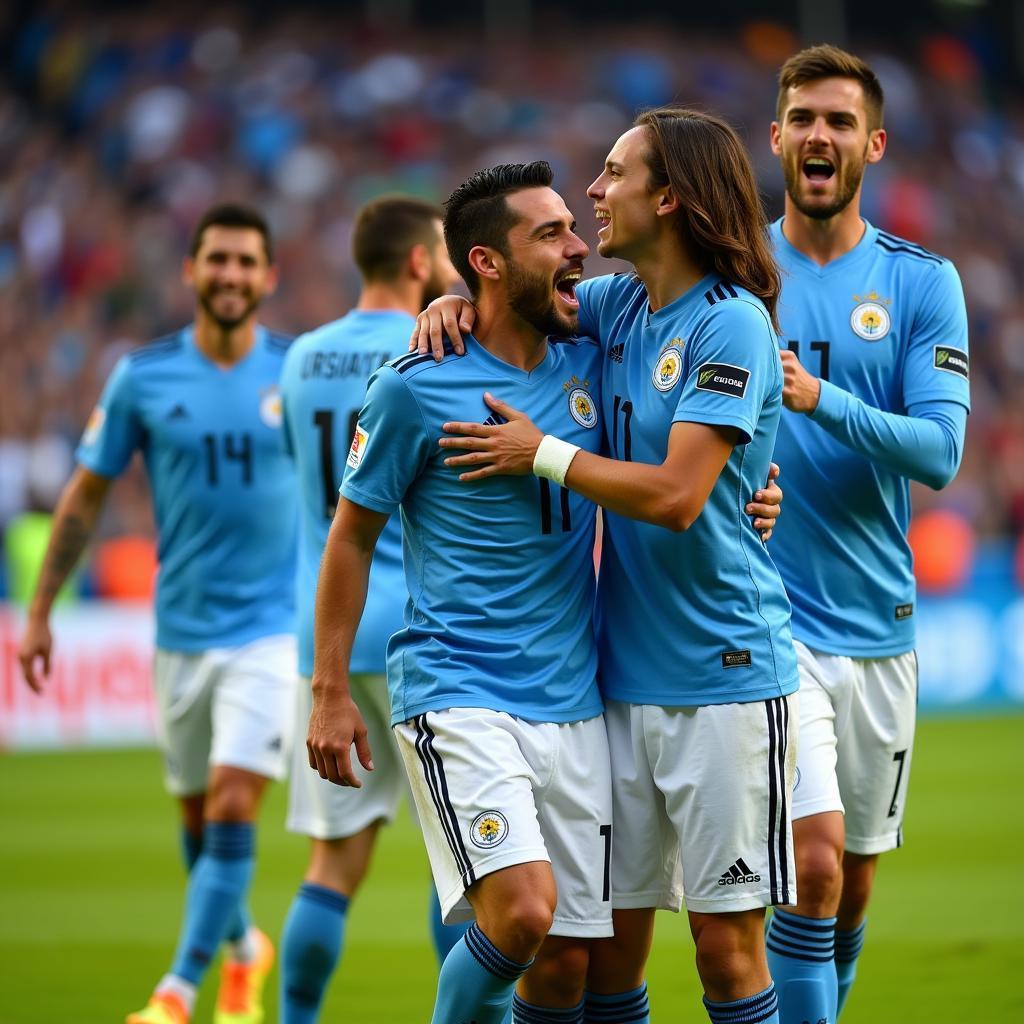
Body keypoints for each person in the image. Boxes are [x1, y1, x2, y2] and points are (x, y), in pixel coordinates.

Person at [418, 109, 798, 1024]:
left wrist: (542, 452)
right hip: (618, 685)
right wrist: (444, 299)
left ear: (666, 197)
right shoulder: (618, 307)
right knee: (598, 957)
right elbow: (508, 293)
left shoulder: (732, 326)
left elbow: (676, 498)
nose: (593, 192)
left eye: (613, 173)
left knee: (725, 946)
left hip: (727, 677)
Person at [307, 161, 616, 1024]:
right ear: (486, 262)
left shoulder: (594, 359)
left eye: (572, 225)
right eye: (550, 232)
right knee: (520, 913)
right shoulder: (414, 384)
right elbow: (352, 536)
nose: (577, 244)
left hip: (576, 699)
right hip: (458, 691)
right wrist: (331, 691)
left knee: (562, 967)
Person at [18, 203, 297, 1024]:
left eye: (248, 262)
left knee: (235, 802)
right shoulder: (142, 377)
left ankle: (176, 992)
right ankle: (246, 947)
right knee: (196, 821)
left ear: (270, 277)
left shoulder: (299, 370)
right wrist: (39, 611)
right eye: (218, 260)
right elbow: (85, 496)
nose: (232, 275)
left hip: (272, 631)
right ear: (191, 270)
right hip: (179, 632)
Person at [757, 45, 970, 1024]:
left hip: (876, 622)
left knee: (850, 880)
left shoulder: (922, 283)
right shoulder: (734, 272)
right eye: (803, 116)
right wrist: (465, 295)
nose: (818, 135)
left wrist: (820, 397)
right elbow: (588, 317)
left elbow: (937, 453)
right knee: (807, 862)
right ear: (776, 135)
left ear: (871, 144)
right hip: (763, 618)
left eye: (839, 121)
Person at [276, 195, 467, 1023]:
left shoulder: (299, 359)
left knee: (332, 864)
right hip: (424, 634)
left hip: (329, 647)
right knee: (457, 870)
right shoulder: (436, 349)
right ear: (421, 261)